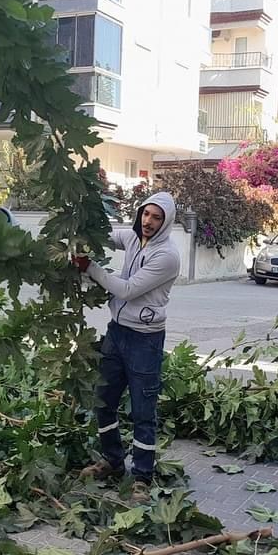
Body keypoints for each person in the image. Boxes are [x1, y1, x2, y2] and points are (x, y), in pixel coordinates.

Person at [72, 191, 181, 503]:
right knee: (104, 400)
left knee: (143, 411)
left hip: (144, 340)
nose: (148, 222)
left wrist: (89, 266)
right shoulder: (135, 238)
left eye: (156, 217)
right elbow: (106, 235)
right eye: (145, 214)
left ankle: (142, 478)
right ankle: (112, 461)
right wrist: (80, 227)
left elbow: (127, 289)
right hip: (117, 333)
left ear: (166, 222)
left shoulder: (167, 256)